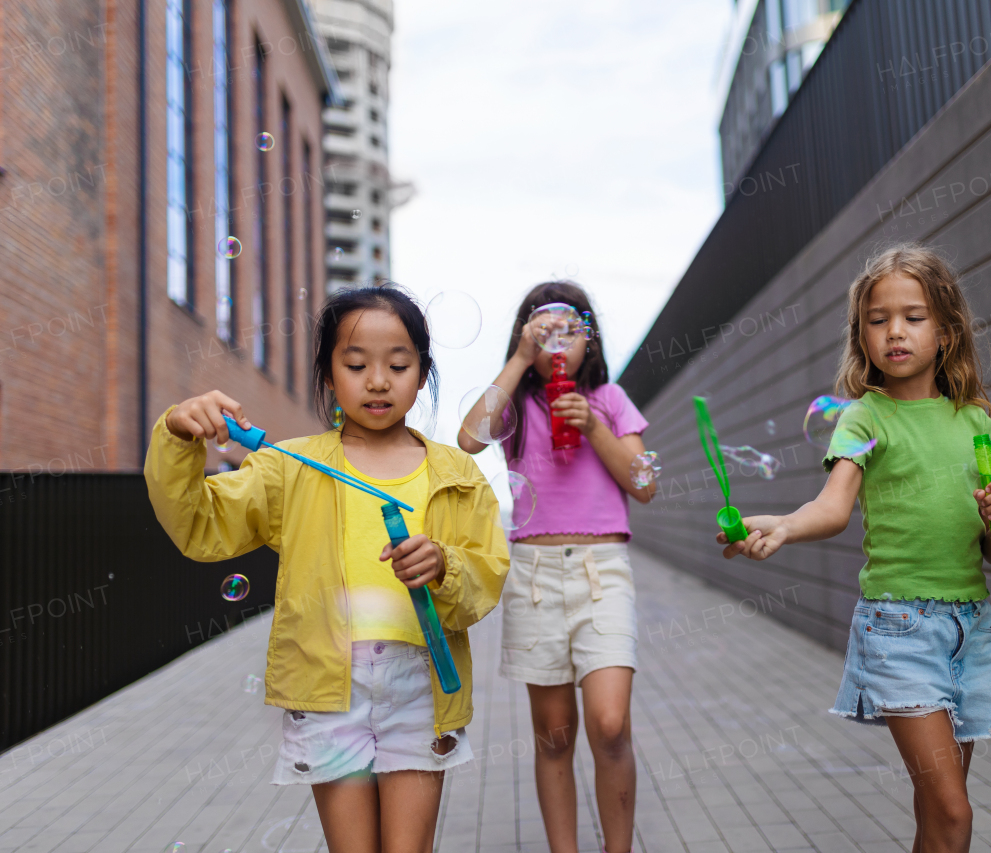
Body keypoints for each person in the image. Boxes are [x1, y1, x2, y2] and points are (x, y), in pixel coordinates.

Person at [145, 285, 509, 853]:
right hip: (326, 684)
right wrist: (175, 436)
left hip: (422, 686)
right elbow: (200, 527)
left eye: (399, 363)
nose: (379, 380)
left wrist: (445, 565)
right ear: (329, 374)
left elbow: (486, 577)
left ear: (423, 371)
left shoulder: (456, 472)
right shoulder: (289, 467)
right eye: (356, 363)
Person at [719, 244, 991, 853]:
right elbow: (831, 508)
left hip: (967, 626)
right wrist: (783, 524)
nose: (895, 332)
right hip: (900, 628)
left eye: (913, 316)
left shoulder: (975, 422)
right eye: (878, 320)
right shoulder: (863, 418)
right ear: (862, 335)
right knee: (955, 813)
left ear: (947, 330)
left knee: (937, 814)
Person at [458, 281, 654, 853]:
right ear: (526, 342)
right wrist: (518, 361)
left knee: (611, 725)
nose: (557, 343)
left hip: (603, 571)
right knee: (553, 737)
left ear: (588, 344)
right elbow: (469, 438)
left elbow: (644, 484)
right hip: (535, 574)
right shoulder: (517, 405)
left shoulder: (611, 400)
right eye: (541, 334)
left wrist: (593, 425)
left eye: (569, 330)